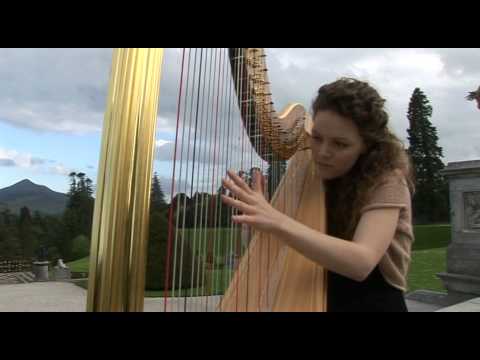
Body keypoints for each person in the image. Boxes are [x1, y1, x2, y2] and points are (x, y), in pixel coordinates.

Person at [221, 77, 415, 312]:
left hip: (374, 301)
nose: (323, 152)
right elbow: (281, 245)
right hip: (319, 294)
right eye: (317, 138)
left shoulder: (387, 180)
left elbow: (361, 262)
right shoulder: (307, 176)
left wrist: (276, 220)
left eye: (340, 144)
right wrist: (255, 224)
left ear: (366, 145)